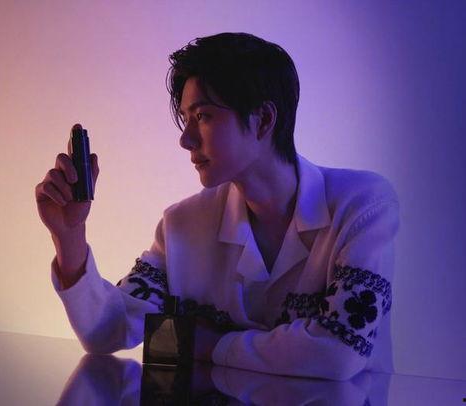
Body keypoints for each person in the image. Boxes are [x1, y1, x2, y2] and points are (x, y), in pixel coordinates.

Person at [35, 32, 400, 380]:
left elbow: (339, 351)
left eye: (203, 116)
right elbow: (108, 330)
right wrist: (70, 237)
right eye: (186, 119)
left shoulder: (361, 206)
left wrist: (210, 346)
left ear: (263, 120)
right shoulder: (181, 225)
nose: (185, 139)